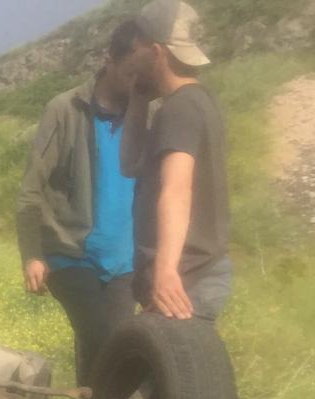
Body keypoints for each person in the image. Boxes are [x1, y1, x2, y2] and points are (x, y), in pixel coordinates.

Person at [17, 19, 144, 385]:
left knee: (107, 354)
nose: (137, 83)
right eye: (131, 72)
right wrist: (32, 253)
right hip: (70, 256)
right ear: (109, 60)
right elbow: (31, 185)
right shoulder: (64, 110)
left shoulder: (144, 114)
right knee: (108, 346)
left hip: (123, 263)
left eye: (143, 74)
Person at [120, 0, 232, 320]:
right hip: (192, 276)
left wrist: (166, 271)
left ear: (156, 52)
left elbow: (177, 189)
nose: (132, 53)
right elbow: (129, 165)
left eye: (137, 45)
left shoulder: (180, 109)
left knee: (171, 369)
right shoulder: (194, 102)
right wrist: (139, 99)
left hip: (183, 282)